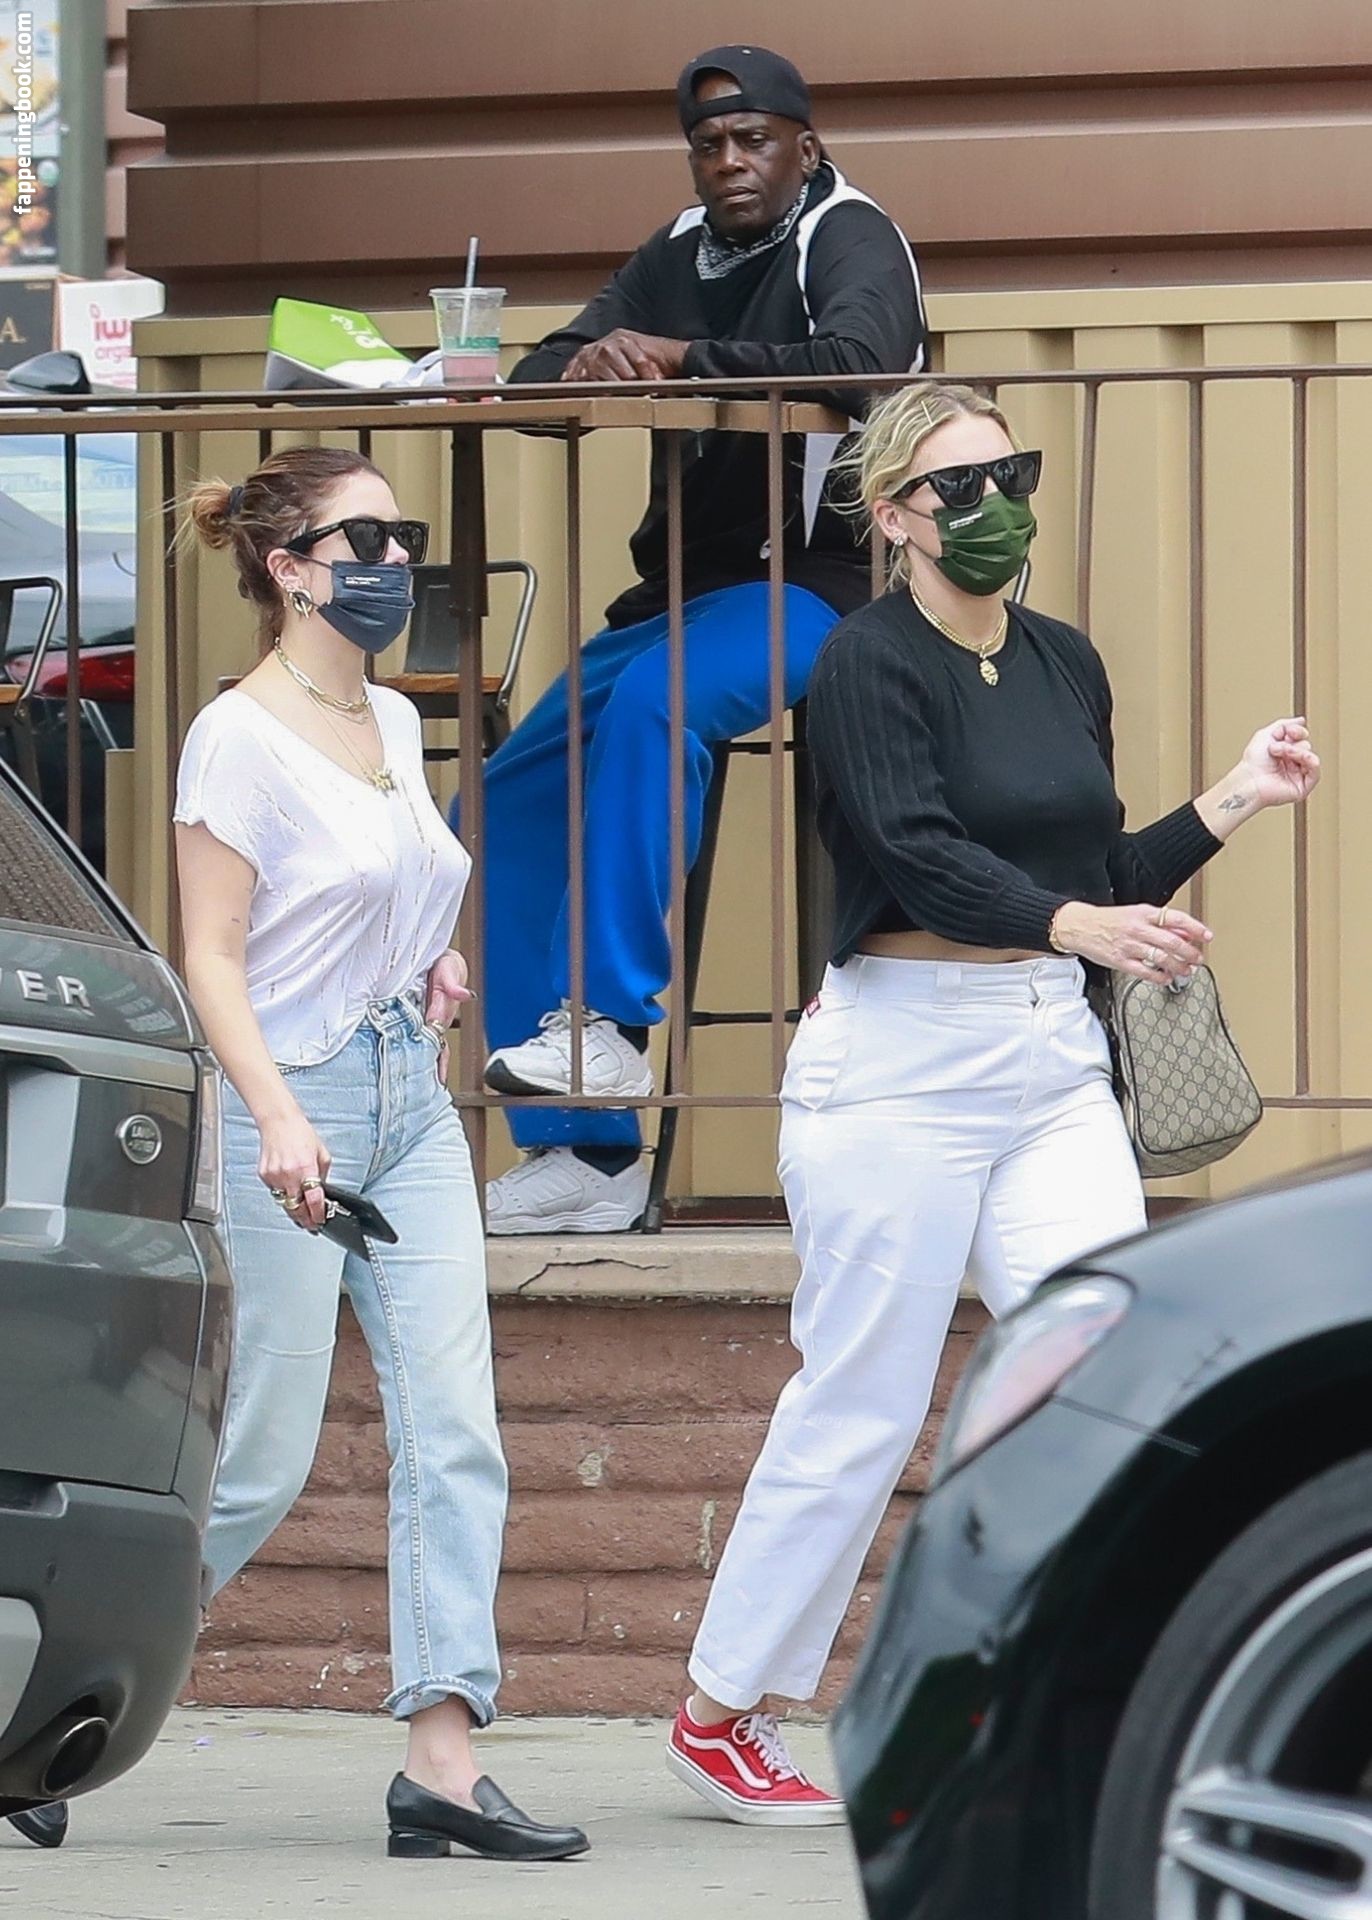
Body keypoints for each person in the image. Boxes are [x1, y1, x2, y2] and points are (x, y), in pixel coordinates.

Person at [665, 379, 1322, 1823]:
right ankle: (722, 1709)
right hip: (897, 1067)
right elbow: (917, 854)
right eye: (954, 487)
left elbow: (1097, 870)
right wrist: (1080, 926)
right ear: (893, 513)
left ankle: (1086, 1691)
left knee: (1110, 1369)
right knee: (864, 1399)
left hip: (1046, 1061)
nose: (990, 507)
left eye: (1006, 475)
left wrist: (1231, 798)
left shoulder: (1063, 660)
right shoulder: (863, 663)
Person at [115, 447, 580, 1863]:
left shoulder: (387, 711)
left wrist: (424, 958)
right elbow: (211, 955)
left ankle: (443, 1763)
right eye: (361, 540)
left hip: (406, 1097)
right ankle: (51, 1698)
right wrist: (275, 1115)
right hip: (296, 1098)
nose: (392, 562)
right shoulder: (234, 736)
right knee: (261, 1456)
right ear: (288, 569)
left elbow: (393, 880)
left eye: (401, 535)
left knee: (456, 1434)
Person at [469, 44, 929, 1234]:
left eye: (754, 139)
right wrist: (595, 355)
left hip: (833, 585)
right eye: (709, 144)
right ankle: (587, 1157)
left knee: (657, 702)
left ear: (803, 147)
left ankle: (608, 1027)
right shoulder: (679, 249)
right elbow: (542, 367)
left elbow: (864, 364)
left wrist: (678, 356)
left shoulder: (847, 232)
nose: (730, 161)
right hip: (689, 591)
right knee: (506, 793)